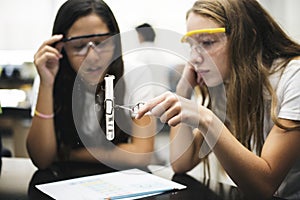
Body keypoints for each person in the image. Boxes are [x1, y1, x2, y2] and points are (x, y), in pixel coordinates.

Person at [136, 0, 300, 199]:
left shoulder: (294, 77)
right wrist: (182, 92)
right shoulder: (228, 84)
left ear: (247, 39)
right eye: (192, 46)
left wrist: (206, 119)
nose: (195, 58)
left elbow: (264, 186)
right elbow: (181, 163)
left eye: (207, 42)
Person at [27, 0, 155, 172]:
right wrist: (46, 84)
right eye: (79, 46)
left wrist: (69, 154)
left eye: (102, 43)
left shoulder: (135, 73)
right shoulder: (49, 76)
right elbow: (42, 159)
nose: (92, 57)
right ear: (61, 49)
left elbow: (141, 154)